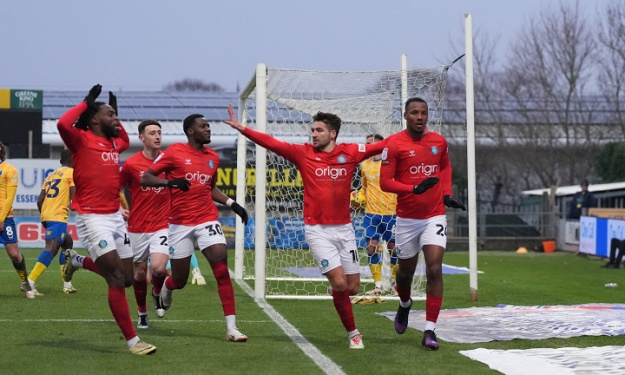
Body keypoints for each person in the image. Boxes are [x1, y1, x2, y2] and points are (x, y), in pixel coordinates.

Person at [224, 104, 390, 349]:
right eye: (312, 130)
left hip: (345, 230)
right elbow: (271, 143)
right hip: (316, 230)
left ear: (332, 134)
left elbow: (382, 145)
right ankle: (354, 333)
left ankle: (337, 292)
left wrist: (414, 135)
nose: (313, 134)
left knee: (352, 287)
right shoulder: (303, 153)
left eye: (319, 130)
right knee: (340, 283)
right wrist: (243, 129)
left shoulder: (352, 152)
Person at [57, 84, 156, 355]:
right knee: (115, 278)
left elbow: (122, 135)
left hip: (114, 217)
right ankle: (134, 342)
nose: (116, 119)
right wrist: (87, 102)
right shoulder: (79, 139)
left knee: (126, 278)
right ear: (93, 119)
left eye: (116, 115)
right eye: (110, 115)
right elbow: (63, 122)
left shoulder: (115, 143)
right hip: (92, 218)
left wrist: (115, 112)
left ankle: (77, 261)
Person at [140, 113, 249, 342]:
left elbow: (210, 187)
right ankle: (165, 289)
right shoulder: (175, 152)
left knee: (220, 267)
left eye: (209, 125)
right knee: (179, 280)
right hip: (179, 223)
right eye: (204, 126)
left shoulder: (213, 157)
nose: (209, 129)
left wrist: (232, 203)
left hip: (207, 218)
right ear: (191, 131)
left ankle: (232, 328)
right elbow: (146, 178)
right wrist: (170, 182)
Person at [379, 97, 466, 351]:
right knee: (404, 274)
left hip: (434, 216)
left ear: (428, 116)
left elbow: (445, 167)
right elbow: (385, 182)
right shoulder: (394, 144)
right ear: (405, 116)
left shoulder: (439, 142)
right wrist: (413, 188)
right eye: (414, 113)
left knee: (434, 268)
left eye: (424, 113)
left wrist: (446, 193)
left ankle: (430, 330)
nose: (420, 117)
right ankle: (405, 304)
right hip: (406, 219)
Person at [119, 120, 173, 329]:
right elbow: (115, 186)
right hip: (137, 226)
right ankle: (142, 313)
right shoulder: (131, 164)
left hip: (162, 224)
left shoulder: (168, 162)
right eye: (152, 133)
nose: (157, 136)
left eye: (159, 132)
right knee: (139, 273)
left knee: (159, 269)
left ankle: (157, 292)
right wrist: (118, 208)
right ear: (142, 138)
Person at [351, 134, 398, 296]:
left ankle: (393, 283)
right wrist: (358, 198)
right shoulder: (365, 165)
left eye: (370, 143)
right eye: (366, 143)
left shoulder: (391, 163)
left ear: (380, 145)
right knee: (371, 248)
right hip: (371, 213)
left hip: (391, 212)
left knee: (394, 250)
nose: (367, 146)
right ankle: (378, 285)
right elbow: (364, 188)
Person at [27, 149, 77, 295]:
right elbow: (75, 197)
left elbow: (40, 200)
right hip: (57, 216)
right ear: (72, 159)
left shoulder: (51, 175)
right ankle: (29, 282)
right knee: (52, 248)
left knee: (67, 242)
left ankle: (67, 284)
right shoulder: (71, 173)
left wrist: (44, 213)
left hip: (46, 215)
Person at [0, 140, 35, 299]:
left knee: (14, 254)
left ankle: (25, 283)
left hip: (4, 219)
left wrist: (1, 219)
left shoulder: (10, 170)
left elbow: (9, 198)